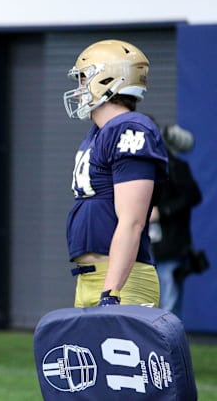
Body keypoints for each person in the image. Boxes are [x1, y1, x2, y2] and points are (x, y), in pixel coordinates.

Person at [63, 39, 168, 308]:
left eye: (84, 79)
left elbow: (132, 221)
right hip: (90, 279)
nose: (78, 91)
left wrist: (111, 291)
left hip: (122, 281)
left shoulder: (130, 128)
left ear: (108, 78)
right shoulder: (99, 132)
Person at [148, 124, 202, 318]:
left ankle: (169, 347)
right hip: (145, 248)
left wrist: (163, 211)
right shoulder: (139, 167)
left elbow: (193, 196)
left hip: (170, 247)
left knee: (169, 305)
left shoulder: (174, 167)